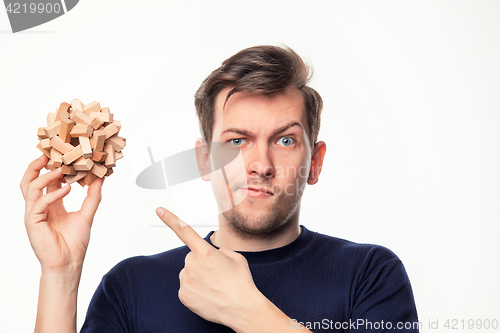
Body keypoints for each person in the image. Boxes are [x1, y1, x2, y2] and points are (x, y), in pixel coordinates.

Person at [21, 45, 419, 332]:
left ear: (314, 162)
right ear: (204, 161)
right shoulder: (132, 287)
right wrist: (61, 274)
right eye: (236, 141)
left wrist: (248, 311)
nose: (260, 166)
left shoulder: (370, 275)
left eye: (284, 140)